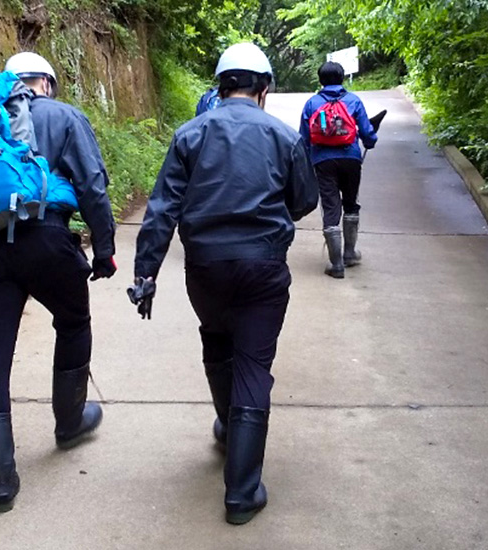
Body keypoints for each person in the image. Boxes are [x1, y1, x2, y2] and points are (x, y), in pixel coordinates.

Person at [131, 42, 318, 525]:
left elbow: (162, 209)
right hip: (263, 267)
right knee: (253, 364)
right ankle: (241, 493)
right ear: (264, 88)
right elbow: (304, 201)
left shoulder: (190, 134)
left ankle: (228, 424)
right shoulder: (284, 136)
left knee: (216, 340)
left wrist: (146, 272)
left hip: (206, 268)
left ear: (220, 87)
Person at [0, 52, 117, 513]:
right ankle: (69, 422)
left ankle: (0, 482)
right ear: (46, 83)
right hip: (47, 239)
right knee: (73, 321)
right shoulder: (65, 116)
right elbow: (92, 184)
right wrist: (104, 249)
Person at [300, 61, 378, 278]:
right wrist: (370, 141)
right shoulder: (353, 100)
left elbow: (303, 138)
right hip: (351, 158)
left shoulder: (312, 103)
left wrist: (306, 161)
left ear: (320, 80)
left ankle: (336, 265)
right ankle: (350, 253)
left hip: (323, 161)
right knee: (350, 203)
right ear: (342, 78)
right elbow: (367, 133)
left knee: (330, 206)